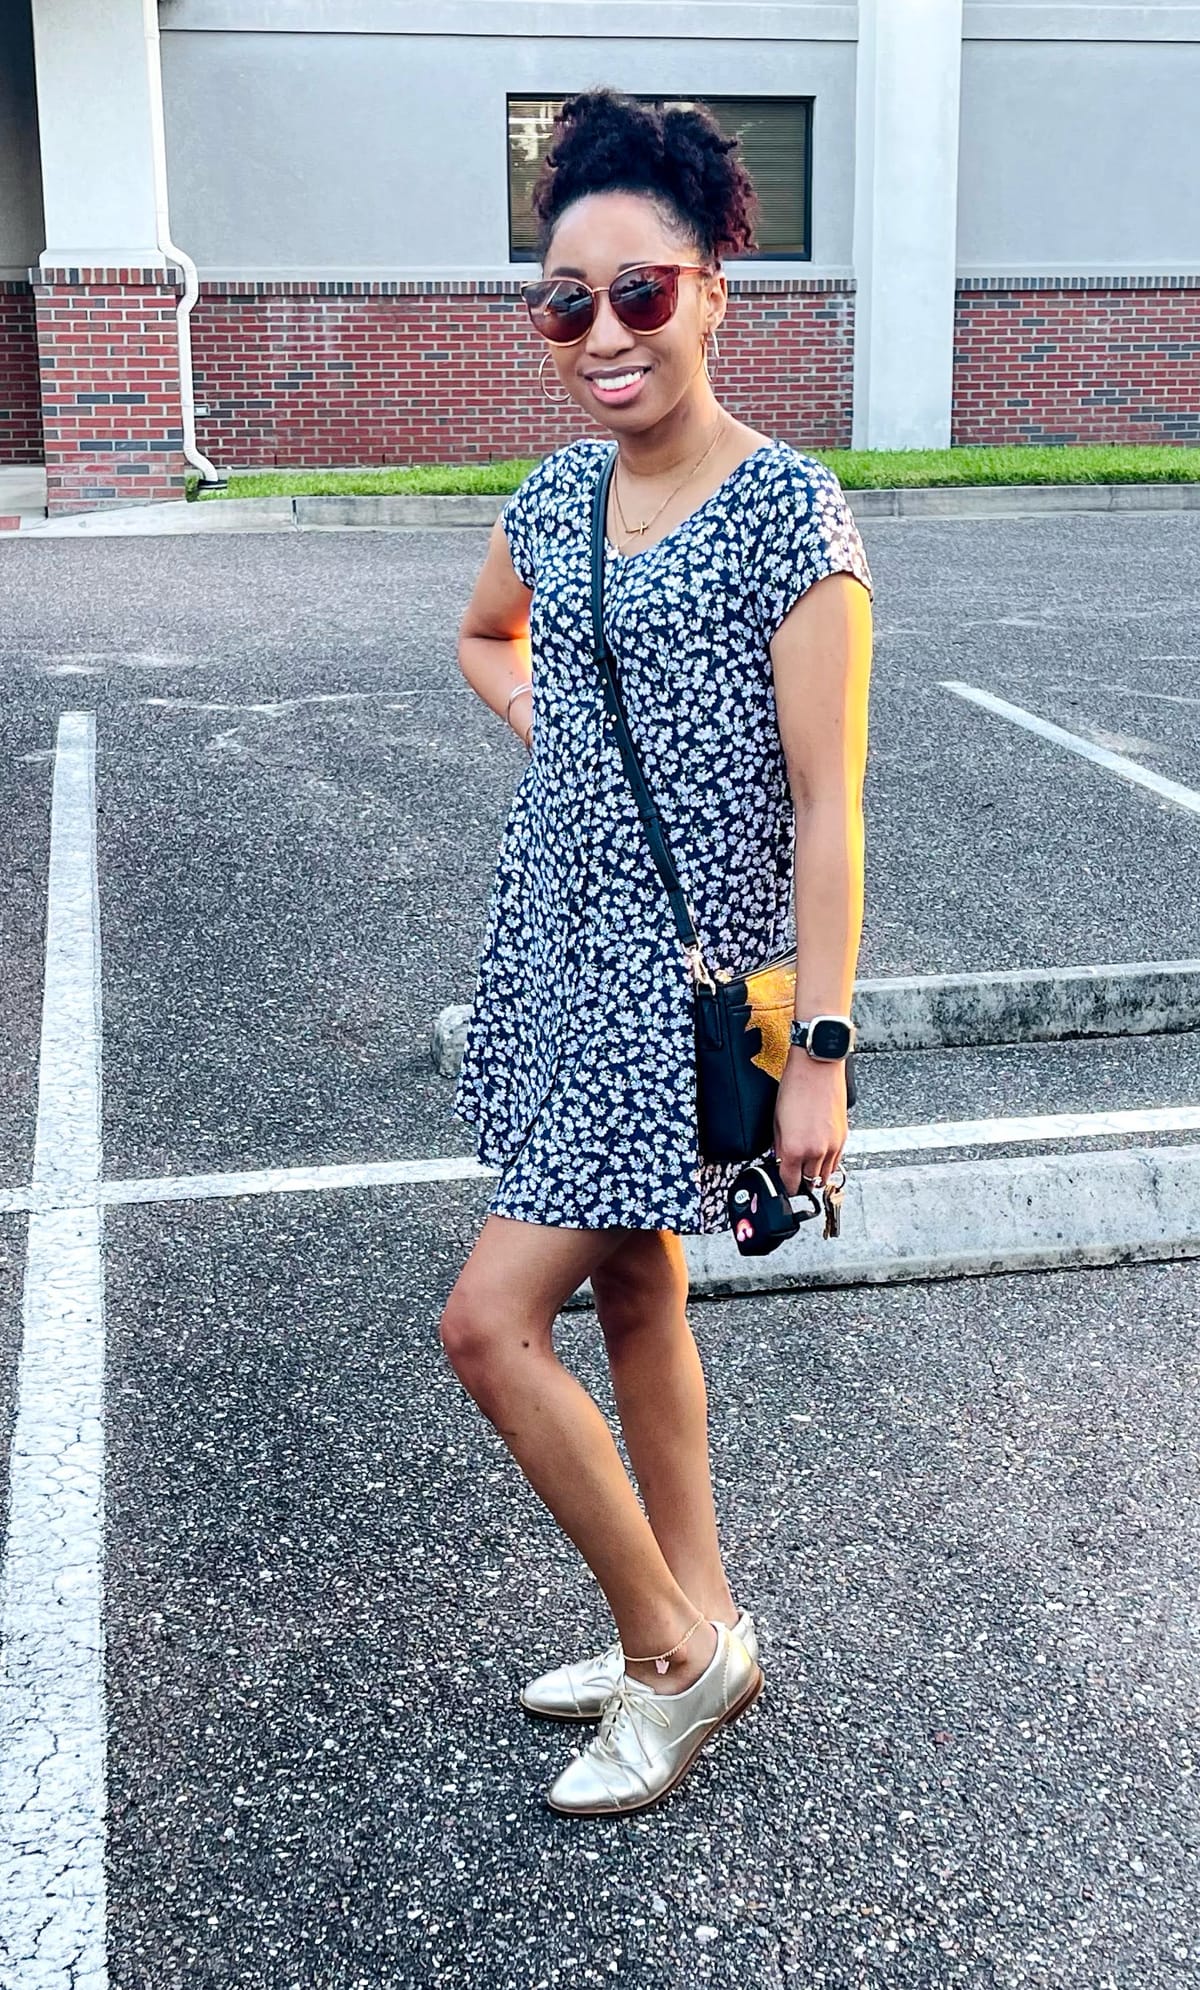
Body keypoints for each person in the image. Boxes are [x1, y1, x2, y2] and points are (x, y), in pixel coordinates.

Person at [442, 86, 874, 1817]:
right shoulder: (554, 497)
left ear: (713, 294)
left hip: (681, 994)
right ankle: (685, 1629)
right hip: (555, 955)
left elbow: (835, 809)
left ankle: (678, 1661)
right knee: (634, 1282)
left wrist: (823, 1055)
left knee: (488, 1325)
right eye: (567, 301)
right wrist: (553, 719)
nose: (602, 331)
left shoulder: (793, 516)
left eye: (639, 292)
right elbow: (483, 635)